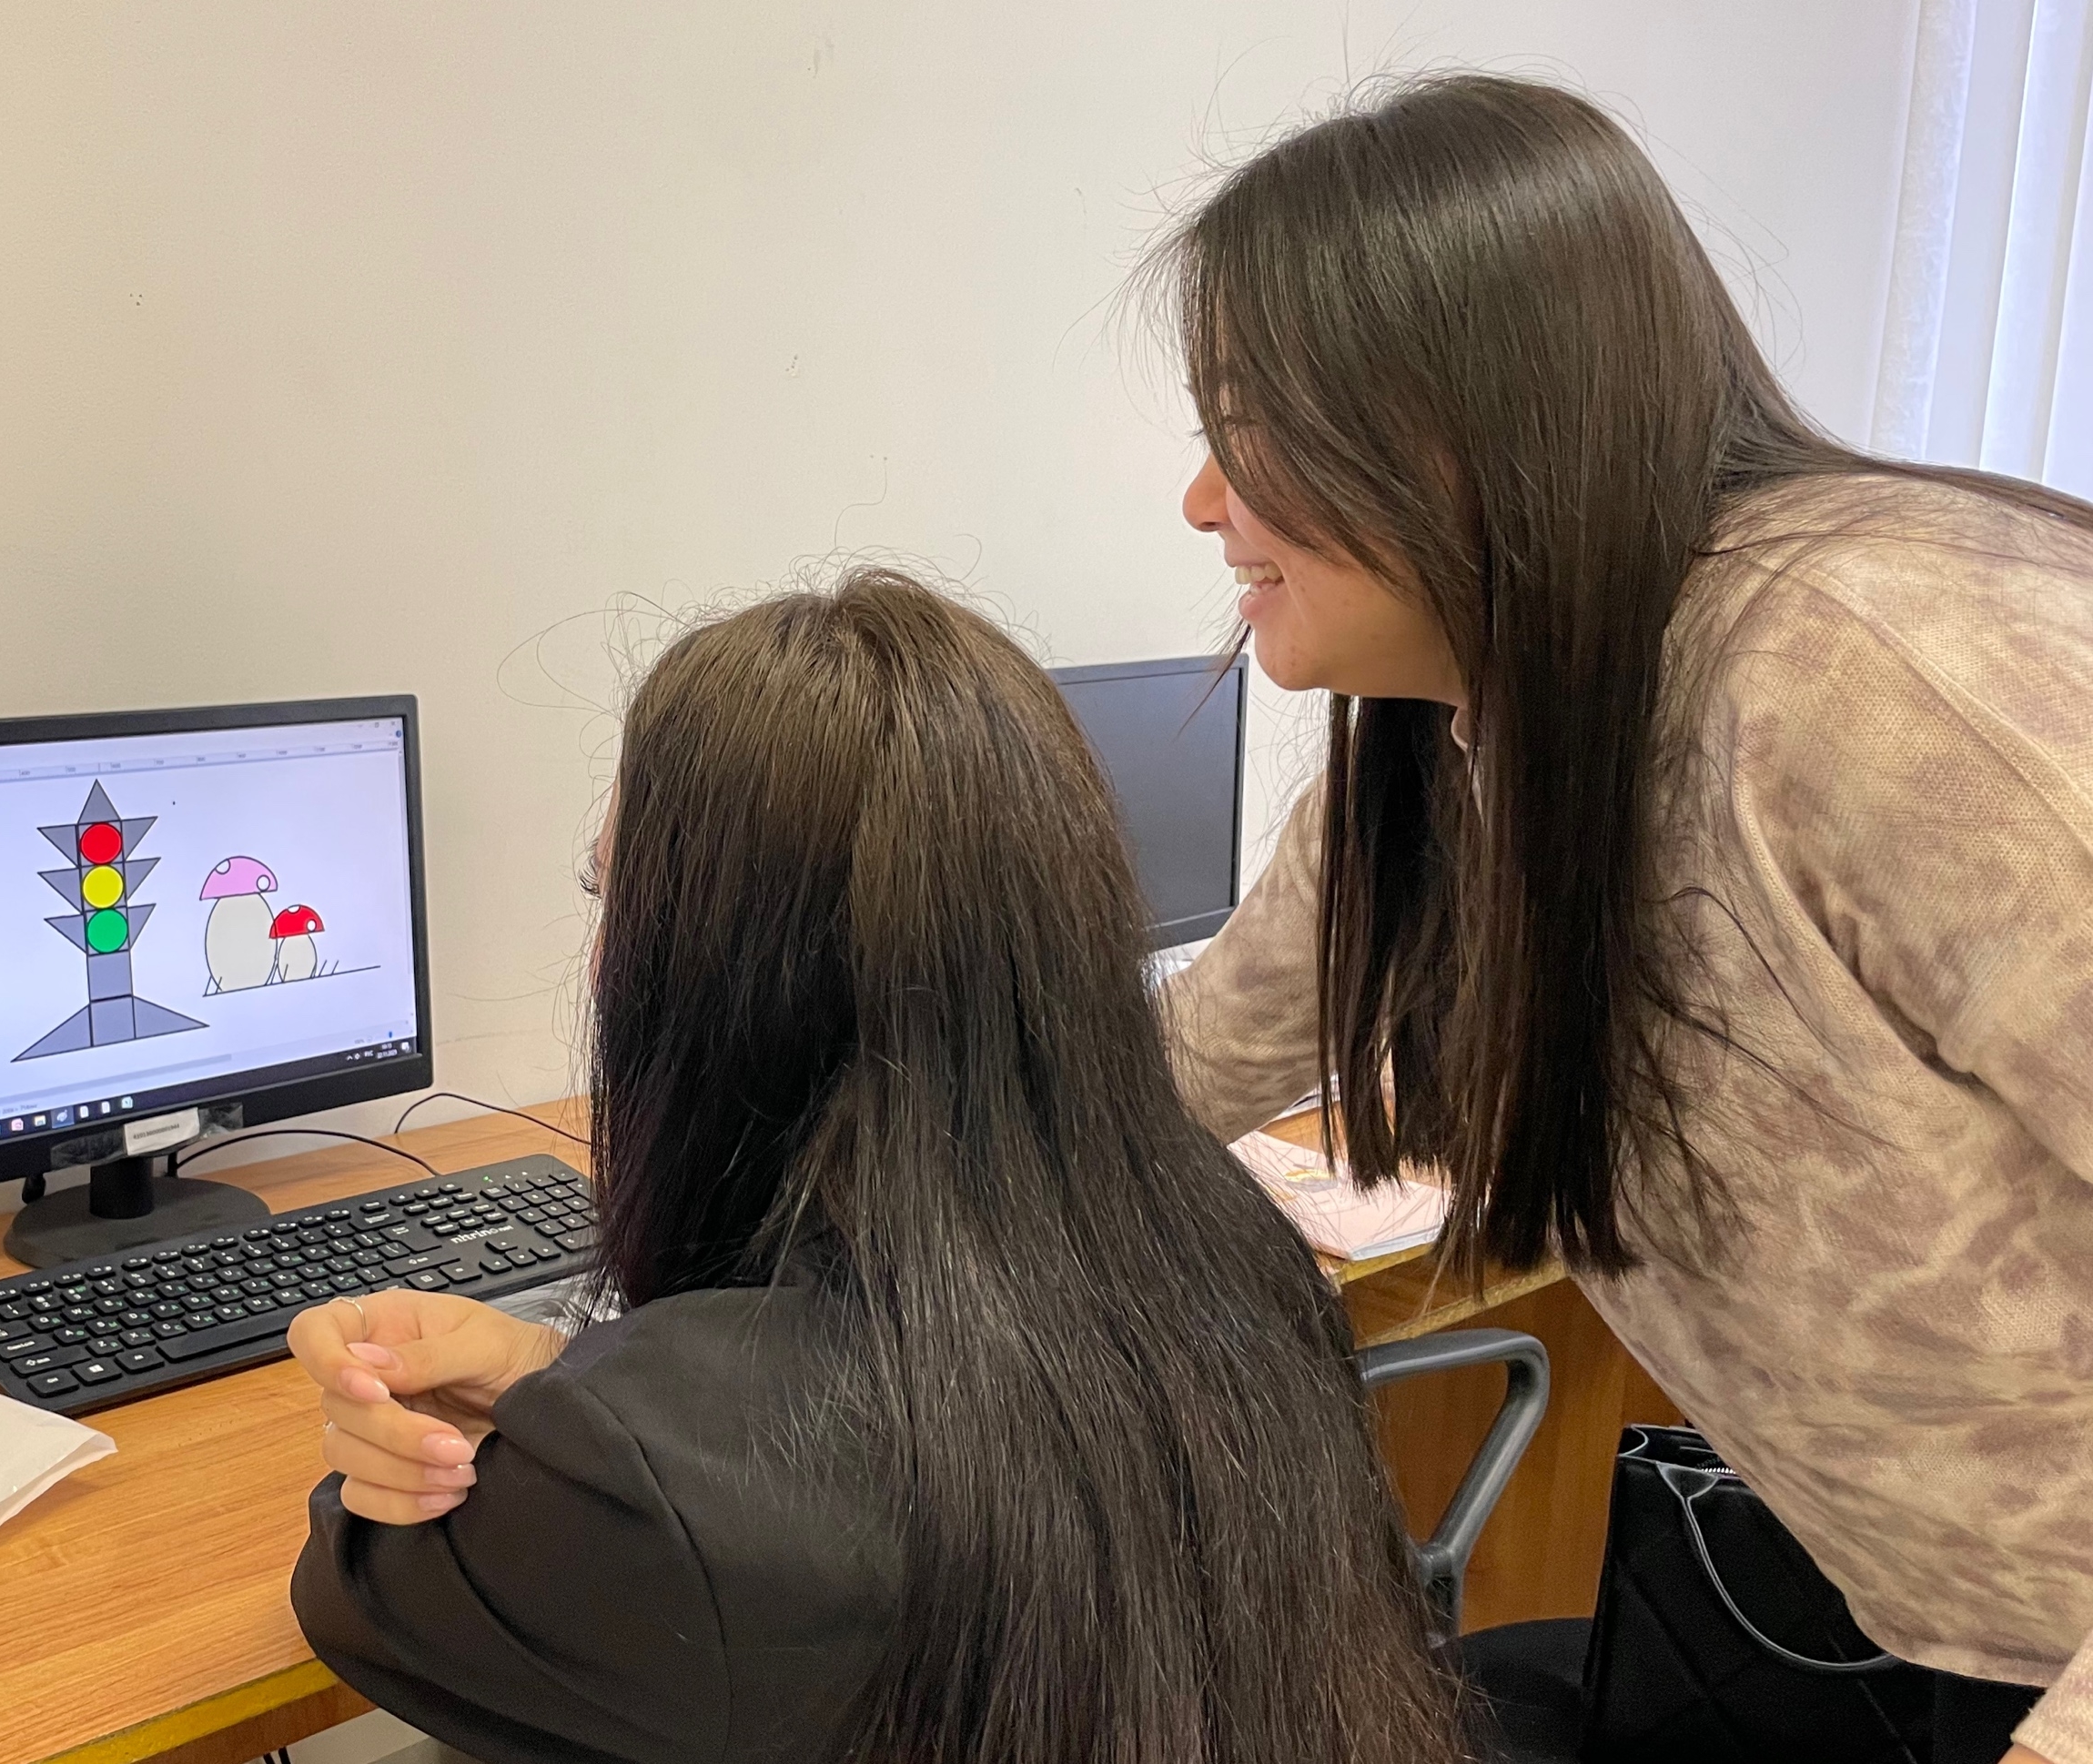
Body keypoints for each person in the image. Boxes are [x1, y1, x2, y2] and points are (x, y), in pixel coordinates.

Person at [1152, 73, 2093, 1764]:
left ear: (1449, 425)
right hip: (1912, 1607)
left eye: (1248, 427)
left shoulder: (1871, 675)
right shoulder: (1457, 742)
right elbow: (1186, 1060)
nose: (1204, 501)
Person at [287, 570, 1470, 1764]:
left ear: (716, 974)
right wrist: (554, 1375)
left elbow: (355, 1588)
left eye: (619, 899)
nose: (602, 963)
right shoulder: (1244, 1259)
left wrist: (428, 1441)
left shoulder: (665, 1482)